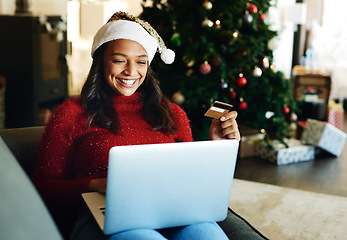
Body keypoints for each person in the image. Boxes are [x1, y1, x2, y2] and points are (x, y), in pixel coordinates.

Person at [31, 12, 240, 240]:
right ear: (101, 61)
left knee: (206, 233)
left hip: (170, 211)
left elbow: (189, 183)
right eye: (119, 60)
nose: (131, 71)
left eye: (140, 62)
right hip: (103, 216)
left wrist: (216, 147)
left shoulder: (172, 114)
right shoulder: (71, 113)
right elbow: (42, 188)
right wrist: (94, 184)